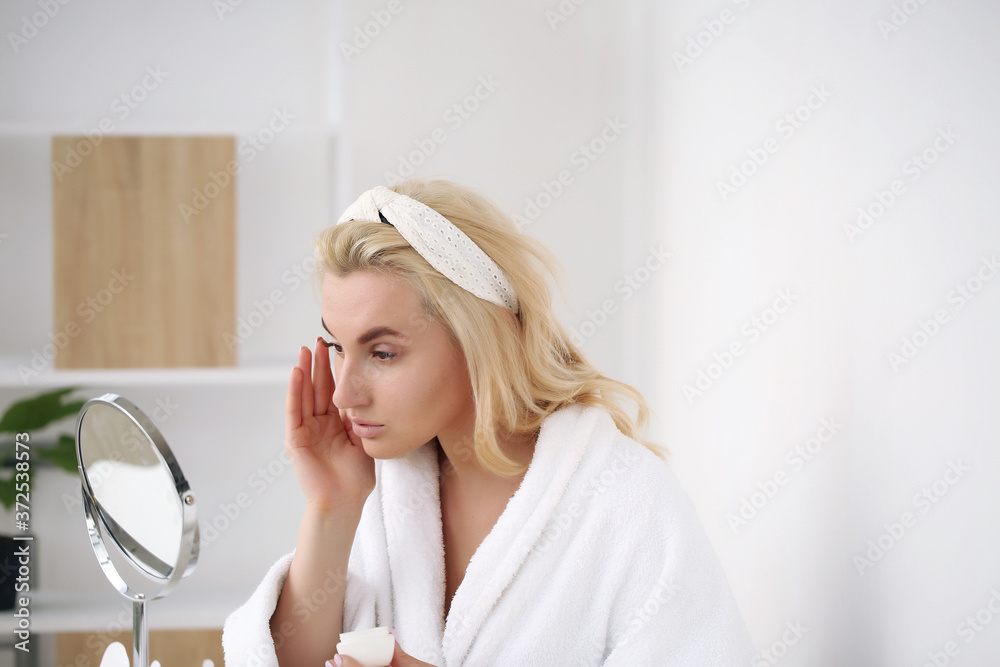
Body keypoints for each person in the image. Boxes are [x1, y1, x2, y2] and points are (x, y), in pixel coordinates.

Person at [222, 180, 755, 666]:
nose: (343, 392)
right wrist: (331, 507)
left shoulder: (626, 503)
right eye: (338, 347)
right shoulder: (384, 496)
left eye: (382, 353)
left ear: (479, 337)